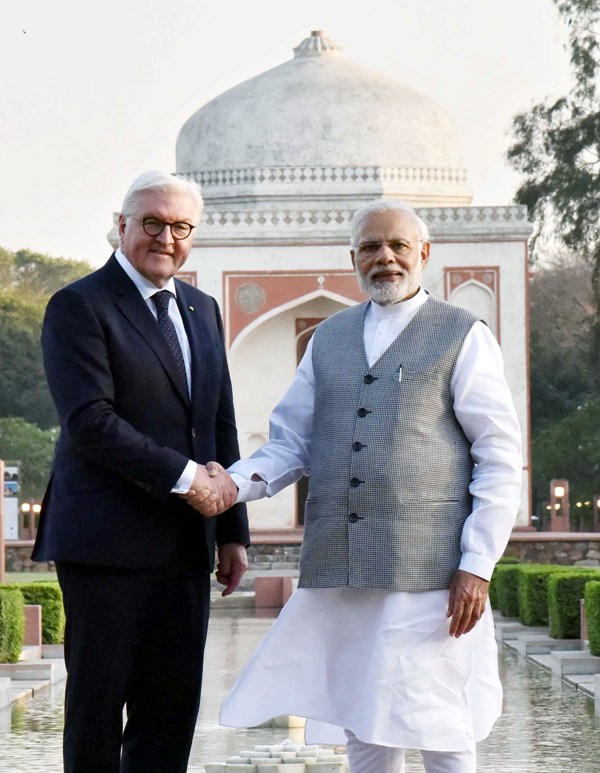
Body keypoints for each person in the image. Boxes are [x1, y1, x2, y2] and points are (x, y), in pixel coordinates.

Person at [185, 199, 523, 773]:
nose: (385, 258)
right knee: (364, 719)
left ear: (424, 253)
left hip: (429, 570)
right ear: (353, 258)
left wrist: (478, 563)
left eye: (397, 246)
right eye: (371, 247)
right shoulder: (331, 338)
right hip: (344, 566)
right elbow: (292, 442)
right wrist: (230, 486)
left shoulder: (462, 335)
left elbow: (498, 455)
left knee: (439, 721)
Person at [32, 170, 248, 773]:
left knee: (170, 710)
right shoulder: (80, 305)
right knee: (99, 709)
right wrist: (187, 478)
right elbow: (90, 421)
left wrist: (232, 531)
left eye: (181, 227)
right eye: (152, 223)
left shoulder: (200, 309)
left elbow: (219, 424)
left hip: (186, 544)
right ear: (121, 226)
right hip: (106, 544)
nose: (166, 237)